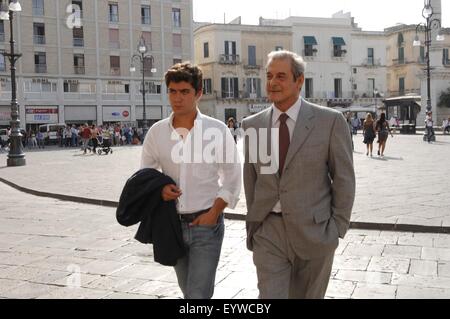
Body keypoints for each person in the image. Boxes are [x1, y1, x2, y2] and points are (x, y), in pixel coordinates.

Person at [241, 51, 355, 299]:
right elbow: (251, 179)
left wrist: (336, 228)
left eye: (281, 76)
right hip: (268, 231)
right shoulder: (253, 125)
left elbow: (344, 179)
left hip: (315, 232)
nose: (273, 82)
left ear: (299, 81)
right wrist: (255, 223)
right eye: (269, 76)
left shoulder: (330, 122)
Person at [140, 62, 241, 299]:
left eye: (184, 91)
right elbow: (145, 173)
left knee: (197, 296)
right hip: (171, 224)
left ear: (198, 93)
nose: (177, 98)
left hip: (206, 223)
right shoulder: (157, 132)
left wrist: (214, 212)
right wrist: (160, 189)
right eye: (173, 91)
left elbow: (233, 176)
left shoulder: (217, 130)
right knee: (189, 292)